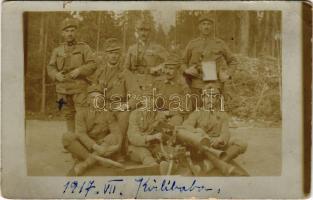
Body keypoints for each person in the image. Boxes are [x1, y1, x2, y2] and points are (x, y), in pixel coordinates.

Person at [182, 84, 247, 174]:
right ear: (203, 98)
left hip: (217, 144)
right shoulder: (197, 113)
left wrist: (221, 140)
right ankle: (219, 161)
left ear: (217, 100)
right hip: (202, 144)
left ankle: (210, 165)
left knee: (241, 143)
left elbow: (225, 132)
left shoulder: (222, 114)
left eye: (213, 97)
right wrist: (197, 131)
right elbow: (186, 126)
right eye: (207, 97)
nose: (210, 100)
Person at [90, 38, 139, 155]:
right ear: (106, 54)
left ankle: (119, 151)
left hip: (119, 107)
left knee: (124, 115)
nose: (114, 56)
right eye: (111, 53)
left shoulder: (125, 73)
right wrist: (95, 95)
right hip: (102, 106)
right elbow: (92, 88)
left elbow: (137, 94)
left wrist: (125, 106)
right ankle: (95, 148)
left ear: (120, 55)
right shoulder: (99, 71)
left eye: (116, 53)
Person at [47, 18, 96, 132]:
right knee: (68, 114)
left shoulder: (84, 48)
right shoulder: (57, 50)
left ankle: (82, 139)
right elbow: (50, 67)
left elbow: (93, 64)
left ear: (76, 32)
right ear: (62, 33)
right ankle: (72, 140)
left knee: (82, 114)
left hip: (79, 88)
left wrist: (80, 70)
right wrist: (55, 75)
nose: (70, 33)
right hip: (63, 88)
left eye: (72, 30)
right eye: (67, 31)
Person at [62, 85, 122, 175]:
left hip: (103, 145)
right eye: (93, 97)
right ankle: (96, 160)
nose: (96, 100)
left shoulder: (107, 112)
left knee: (113, 137)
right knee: (67, 137)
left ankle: (85, 164)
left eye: (99, 97)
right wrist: (97, 148)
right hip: (87, 147)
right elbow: (81, 134)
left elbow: (116, 132)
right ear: (88, 100)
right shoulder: (81, 113)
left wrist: (114, 147)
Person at [182, 13, 237, 109]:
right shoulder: (192, 44)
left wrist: (227, 74)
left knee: (214, 113)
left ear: (212, 27)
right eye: (203, 24)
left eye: (208, 24)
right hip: (197, 84)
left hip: (214, 84)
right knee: (196, 112)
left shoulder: (220, 43)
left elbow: (233, 60)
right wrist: (186, 70)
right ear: (199, 27)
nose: (206, 27)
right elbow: (182, 61)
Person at [123, 17, 168, 93]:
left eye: (146, 30)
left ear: (150, 32)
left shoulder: (157, 48)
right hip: (134, 86)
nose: (143, 33)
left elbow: (172, 61)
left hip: (151, 85)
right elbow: (126, 69)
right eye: (141, 30)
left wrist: (158, 68)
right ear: (137, 31)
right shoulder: (132, 49)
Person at [152, 53, 192, 124]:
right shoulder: (158, 82)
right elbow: (150, 99)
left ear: (177, 70)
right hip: (158, 114)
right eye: (166, 68)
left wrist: (167, 113)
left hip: (176, 116)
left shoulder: (183, 86)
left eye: (171, 69)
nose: (167, 71)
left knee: (174, 123)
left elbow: (187, 108)